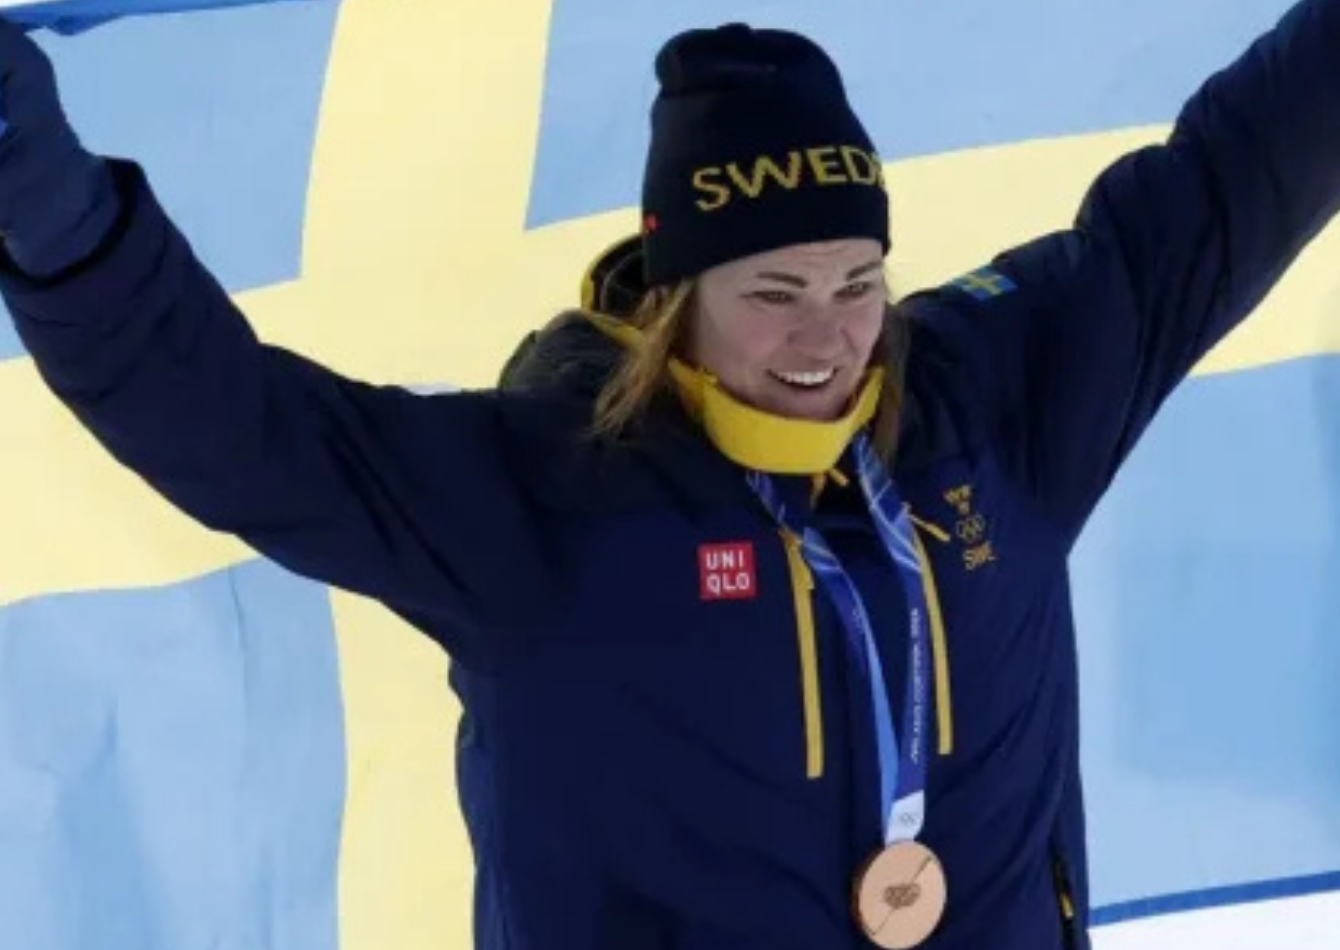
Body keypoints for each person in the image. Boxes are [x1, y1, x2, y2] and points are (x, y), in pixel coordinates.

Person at [2, 0, 1338, 946]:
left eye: (858, 282)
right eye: (773, 291)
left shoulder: (996, 405)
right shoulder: (542, 502)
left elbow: (1226, 188)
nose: (828, 339)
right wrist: (47, 205)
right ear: (675, 293)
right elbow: (225, 420)